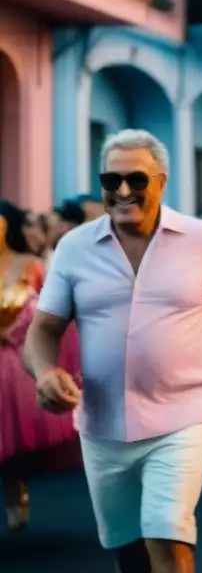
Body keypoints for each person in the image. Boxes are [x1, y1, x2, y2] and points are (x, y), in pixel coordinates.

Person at [22, 128, 202, 573]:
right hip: (102, 422)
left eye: (136, 180)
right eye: (112, 181)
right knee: (128, 552)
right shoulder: (73, 248)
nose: (123, 191)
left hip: (183, 415)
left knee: (167, 539)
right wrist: (44, 370)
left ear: (162, 182)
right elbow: (43, 329)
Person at [0, 200, 80, 531]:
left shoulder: (29, 264)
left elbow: (52, 310)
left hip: (19, 359)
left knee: (15, 435)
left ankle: (16, 484)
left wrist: (18, 330)